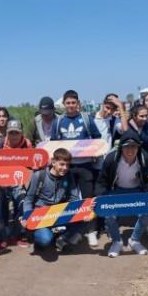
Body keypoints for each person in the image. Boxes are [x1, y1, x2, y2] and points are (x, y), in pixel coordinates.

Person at [50, 89, 105, 246]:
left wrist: (95, 152)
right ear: (64, 104)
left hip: (86, 166)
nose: (71, 105)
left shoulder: (86, 118)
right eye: (68, 103)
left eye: (73, 102)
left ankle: (91, 231)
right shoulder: (58, 121)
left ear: (78, 104)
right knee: (66, 199)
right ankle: (69, 231)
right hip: (66, 168)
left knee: (88, 199)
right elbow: (53, 143)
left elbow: (97, 138)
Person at [94, 129, 148, 257]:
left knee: (147, 211)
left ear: (138, 147)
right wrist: (100, 197)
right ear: (121, 147)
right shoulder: (111, 159)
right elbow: (102, 181)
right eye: (126, 146)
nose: (130, 150)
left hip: (137, 190)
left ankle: (134, 240)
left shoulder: (144, 158)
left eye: (134, 146)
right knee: (108, 213)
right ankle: (116, 241)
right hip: (117, 190)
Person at [22, 148, 89, 252]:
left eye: (67, 165)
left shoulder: (69, 176)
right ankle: (39, 238)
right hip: (41, 216)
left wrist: (83, 212)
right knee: (45, 240)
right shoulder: (39, 175)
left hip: (59, 213)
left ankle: (61, 239)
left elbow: (74, 198)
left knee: (86, 218)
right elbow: (29, 199)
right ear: (53, 162)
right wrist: (27, 217)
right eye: (62, 164)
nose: (65, 168)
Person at [0, 119, 33, 249]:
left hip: (18, 182)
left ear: (21, 133)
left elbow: (31, 165)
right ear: (6, 133)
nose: (14, 136)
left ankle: (17, 235)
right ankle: (2, 236)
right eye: (11, 133)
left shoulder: (27, 144)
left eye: (16, 133)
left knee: (24, 205)